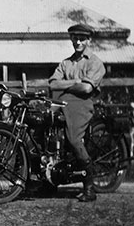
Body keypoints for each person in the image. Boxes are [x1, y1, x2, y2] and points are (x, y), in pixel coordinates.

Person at [49, 23, 106, 202]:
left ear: (89, 40)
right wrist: (76, 81)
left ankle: (89, 187)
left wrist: (67, 84)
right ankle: (48, 180)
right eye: (75, 38)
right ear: (71, 39)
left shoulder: (95, 62)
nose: (78, 42)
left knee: (73, 139)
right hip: (61, 102)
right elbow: (52, 84)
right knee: (44, 129)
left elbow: (87, 89)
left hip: (82, 104)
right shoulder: (66, 62)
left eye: (82, 38)